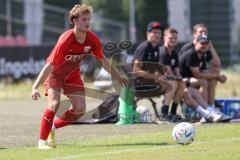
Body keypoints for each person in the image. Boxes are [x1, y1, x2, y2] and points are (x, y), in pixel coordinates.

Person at [32, 4, 126, 149]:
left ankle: (53, 128)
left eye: (89, 19)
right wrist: (35, 86)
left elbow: (103, 61)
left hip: (73, 75)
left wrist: (118, 76)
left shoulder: (92, 39)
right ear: (74, 21)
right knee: (54, 105)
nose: (87, 22)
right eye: (83, 19)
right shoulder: (65, 39)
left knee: (80, 110)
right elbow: (50, 65)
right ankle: (42, 142)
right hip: (55, 75)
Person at [179, 23, 226, 108]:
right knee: (205, 79)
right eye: (201, 32)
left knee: (215, 72)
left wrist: (210, 46)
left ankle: (212, 106)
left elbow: (217, 64)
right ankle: (206, 109)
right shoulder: (189, 49)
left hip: (196, 76)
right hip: (184, 79)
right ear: (194, 34)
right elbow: (196, 74)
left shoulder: (204, 46)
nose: (204, 34)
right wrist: (217, 77)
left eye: (205, 32)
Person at [132, 22, 173, 118]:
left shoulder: (155, 49)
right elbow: (135, 70)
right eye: (154, 32)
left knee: (178, 83)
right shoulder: (144, 48)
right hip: (139, 84)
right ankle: (165, 112)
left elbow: (154, 69)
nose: (157, 35)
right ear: (148, 34)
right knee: (172, 84)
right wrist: (155, 76)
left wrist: (162, 74)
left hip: (149, 82)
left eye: (159, 33)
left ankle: (169, 111)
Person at [158, 27, 185, 121]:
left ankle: (173, 112)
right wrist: (176, 78)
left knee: (182, 84)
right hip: (155, 81)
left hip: (166, 79)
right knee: (173, 83)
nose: (173, 40)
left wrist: (180, 78)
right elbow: (167, 71)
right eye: (170, 38)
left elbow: (176, 69)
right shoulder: (162, 52)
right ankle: (164, 112)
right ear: (164, 38)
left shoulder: (174, 53)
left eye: (175, 38)